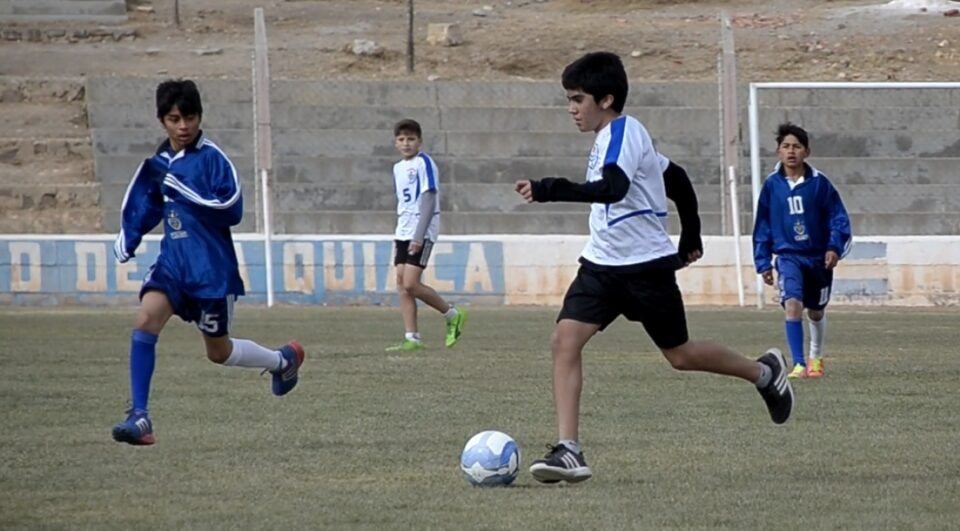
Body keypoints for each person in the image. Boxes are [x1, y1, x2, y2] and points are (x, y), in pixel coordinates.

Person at [513, 52, 794, 484]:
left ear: (606, 99)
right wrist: (692, 234)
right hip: (602, 265)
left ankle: (763, 372)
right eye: (569, 99)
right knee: (564, 340)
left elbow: (615, 187)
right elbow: (675, 177)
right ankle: (568, 450)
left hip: (644, 268)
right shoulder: (609, 137)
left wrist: (549, 188)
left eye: (577, 99)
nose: (572, 108)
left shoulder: (626, 132)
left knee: (680, 356)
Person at [110, 79, 305, 446]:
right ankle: (140, 417)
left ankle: (282, 361)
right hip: (173, 265)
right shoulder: (160, 161)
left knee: (219, 352)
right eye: (174, 118)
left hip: (211, 272)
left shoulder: (213, 159)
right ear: (162, 120)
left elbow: (231, 208)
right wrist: (129, 236)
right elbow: (147, 200)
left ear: (201, 117)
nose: (183, 126)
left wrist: (184, 189)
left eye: (190, 117)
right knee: (145, 319)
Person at [753, 123, 852, 379]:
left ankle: (815, 357)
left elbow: (837, 218)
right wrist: (763, 261)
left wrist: (834, 247)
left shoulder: (820, 184)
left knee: (816, 310)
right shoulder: (772, 186)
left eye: (796, 146)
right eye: (785, 146)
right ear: (778, 152)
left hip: (818, 257)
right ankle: (798, 363)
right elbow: (762, 225)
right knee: (792, 304)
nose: (791, 152)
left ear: (806, 151)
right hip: (788, 257)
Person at [386, 119, 467, 352]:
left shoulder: (424, 163)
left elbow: (429, 199)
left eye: (411, 139)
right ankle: (412, 337)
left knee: (411, 282)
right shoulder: (397, 167)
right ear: (395, 143)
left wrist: (419, 235)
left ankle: (452, 314)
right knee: (402, 283)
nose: (406, 143)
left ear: (419, 141)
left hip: (421, 229)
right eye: (401, 139)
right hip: (403, 228)